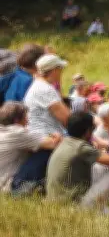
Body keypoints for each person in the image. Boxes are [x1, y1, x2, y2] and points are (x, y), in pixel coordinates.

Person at [11, 54, 71, 195]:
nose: (61, 72)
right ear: (55, 70)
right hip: (47, 139)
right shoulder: (45, 89)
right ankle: (21, 188)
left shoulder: (39, 86)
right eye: (60, 68)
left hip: (42, 137)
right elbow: (67, 118)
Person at [46, 111, 109, 208]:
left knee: (100, 167)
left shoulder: (65, 141)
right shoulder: (81, 147)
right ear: (88, 131)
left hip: (57, 200)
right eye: (93, 128)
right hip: (73, 203)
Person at [0, 103, 62, 193]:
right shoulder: (17, 133)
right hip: (6, 184)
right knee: (45, 152)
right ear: (17, 120)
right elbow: (53, 144)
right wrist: (58, 135)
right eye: (25, 118)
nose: (28, 122)